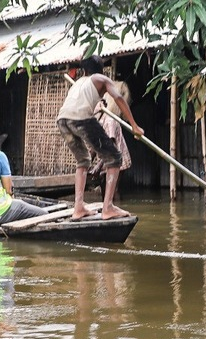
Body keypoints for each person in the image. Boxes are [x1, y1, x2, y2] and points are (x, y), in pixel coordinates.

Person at [57, 56, 143, 220]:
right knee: (115, 158)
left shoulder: (79, 83)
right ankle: (108, 208)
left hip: (62, 120)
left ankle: (78, 207)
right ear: (101, 70)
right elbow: (118, 98)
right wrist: (134, 126)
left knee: (83, 161)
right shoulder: (101, 79)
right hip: (81, 119)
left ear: (84, 71)